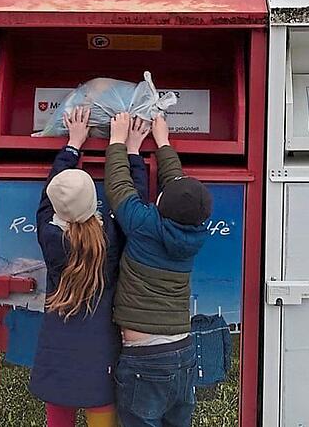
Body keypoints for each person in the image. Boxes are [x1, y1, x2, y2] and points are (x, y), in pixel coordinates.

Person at [29, 107, 151, 427]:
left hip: (58, 356)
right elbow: (130, 199)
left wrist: (73, 144)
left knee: (58, 418)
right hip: (101, 356)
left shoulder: (49, 234)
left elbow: (48, 195)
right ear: (93, 201)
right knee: (102, 418)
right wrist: (128, 149)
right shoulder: (109, 235)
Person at [105, 112, 213, 427]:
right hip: (182, 352)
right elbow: (180, 188)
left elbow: (118, 187)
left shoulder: (144, 225)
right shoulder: (195, 233)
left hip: (146, 361)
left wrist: (116, 140)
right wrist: (162, 141)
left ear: (161, 203)